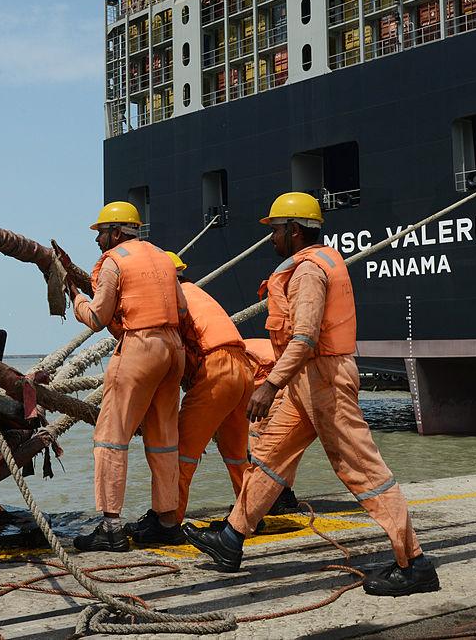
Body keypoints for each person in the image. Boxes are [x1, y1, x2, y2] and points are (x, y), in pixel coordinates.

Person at [182, 193, 440, 597]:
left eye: (276, 230)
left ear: (295, 230)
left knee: (363, 471)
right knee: (269, 459)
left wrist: (270, 384)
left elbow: (303, 337)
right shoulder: (314, 263)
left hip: (323, 380)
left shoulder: (307, 273)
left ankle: (415, 563)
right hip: (306, 382)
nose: (272, 239)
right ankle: (231, 539)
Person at [67, 202, 187, 551]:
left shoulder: (114, 262)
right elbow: (180, 309)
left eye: (101, 233)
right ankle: (167, 520)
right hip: (173, 347)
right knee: (164, 437)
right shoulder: (163, 258)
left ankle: (111, 527)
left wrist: (75, 299)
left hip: (141, 347)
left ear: (117, 233)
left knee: (110, 437)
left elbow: (97, 317)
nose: (98, 240)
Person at [124, 252, 253, 543]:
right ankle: (251, 517)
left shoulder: (172, 299)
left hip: (216, 369)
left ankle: (169, 521)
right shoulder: (197, 292)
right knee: (235, 455)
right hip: (243, 367)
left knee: (180, 452)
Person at [242, 338, 298, 516]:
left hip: (277, 380)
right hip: (288, 375)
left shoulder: (227, 357)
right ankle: (284, 495)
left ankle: (270, 500)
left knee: (259, 437)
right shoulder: (241, 348)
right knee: (279, 444)